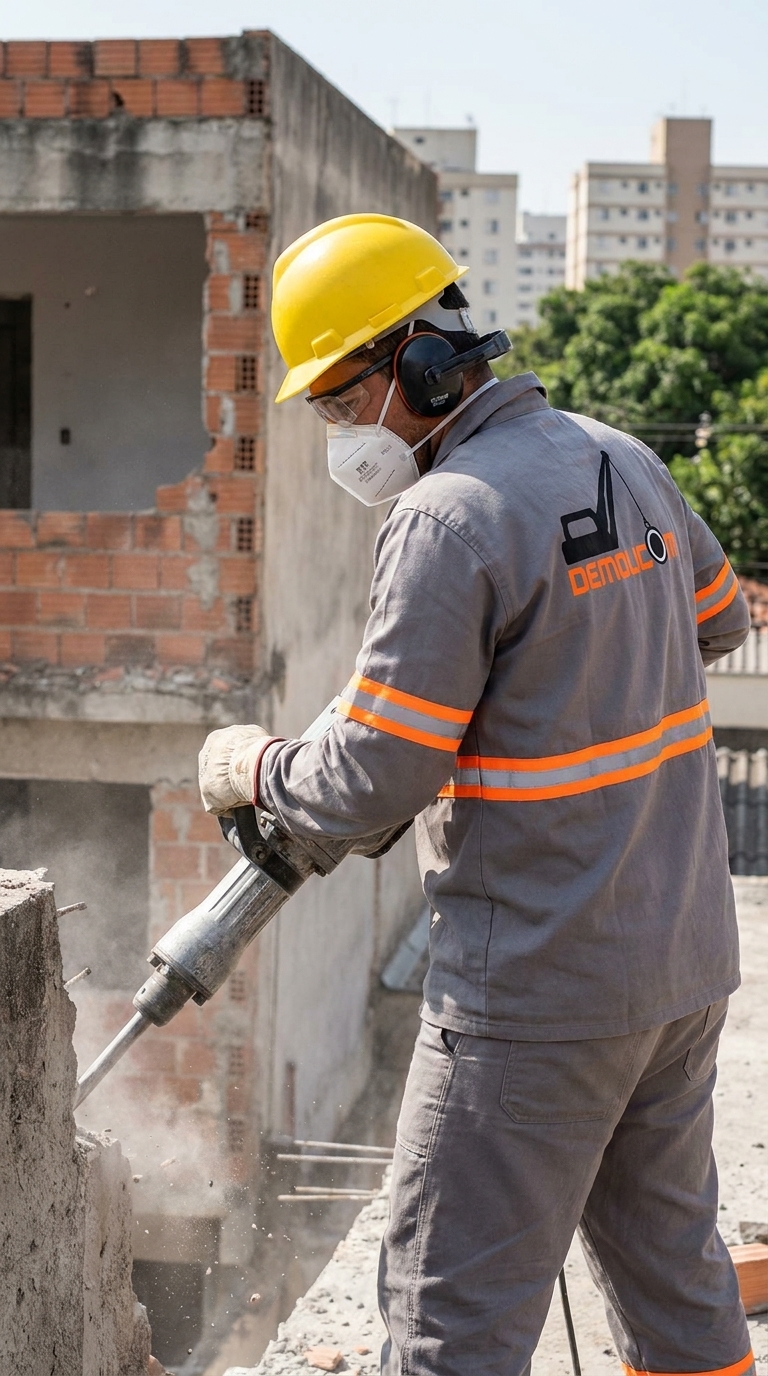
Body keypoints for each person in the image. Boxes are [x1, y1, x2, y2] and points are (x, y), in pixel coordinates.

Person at [199, 214, 754, 1376]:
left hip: (537, 997)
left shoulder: (446, 515)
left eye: (344, 401)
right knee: (677, 1286)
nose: (344, 433)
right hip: (680, 961)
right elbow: (721, 620)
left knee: (449, 1322)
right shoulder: (621, 455)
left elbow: (371, 775)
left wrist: (251, 763)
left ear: (420, 361)